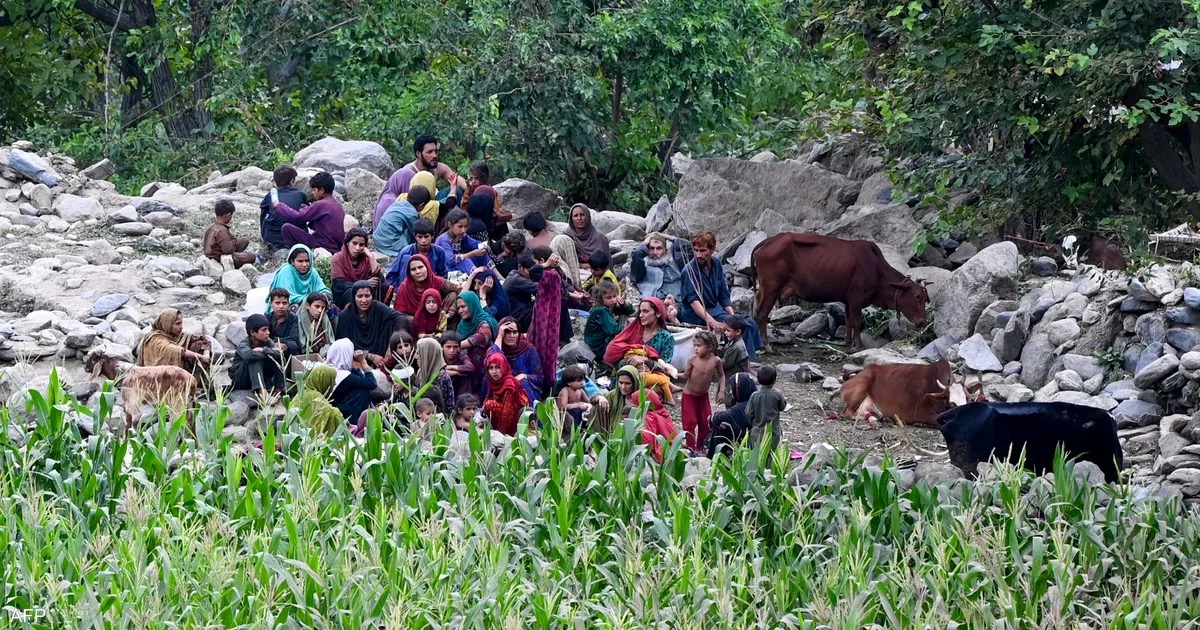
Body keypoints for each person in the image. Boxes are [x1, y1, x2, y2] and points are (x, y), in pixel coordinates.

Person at [681, 231, 764, 358]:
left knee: (747, 322)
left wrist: (732, 316)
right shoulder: (689, 270)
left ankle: (748, 354)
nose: (698, 255)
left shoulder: (716, 264)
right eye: (696, 250)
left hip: (715, 309)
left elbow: (723, 295)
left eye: (703, 251)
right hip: (696, 313)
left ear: (712, 250)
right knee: (738, 328)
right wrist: (712, 322)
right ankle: (746, 359)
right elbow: (693, 302)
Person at [374, 135, 467, 228]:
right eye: (429, 152)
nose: (434, 155)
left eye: (436, 151)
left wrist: (472, 187)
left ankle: (459, 225)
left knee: (458, 191)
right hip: (420, 209)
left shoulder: (438, 168)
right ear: (419, 153)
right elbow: (413, 205)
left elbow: (459, 181)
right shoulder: (409, 173)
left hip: (433, 203)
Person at [591, 366, 677, 462]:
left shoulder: (643, 396)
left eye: (627, 383)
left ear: (635, 382)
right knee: (596, 407)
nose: (623, 387)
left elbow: (657, 414)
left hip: (640, 436)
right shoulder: (614, 395)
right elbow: (593, 397)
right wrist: (600, 397)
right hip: (616, 433)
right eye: (620, 383)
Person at [335, 280, 410, 369]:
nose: (364, 300)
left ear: (372, 296)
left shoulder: (377, 307)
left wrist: (391, 345)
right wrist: (371, 356)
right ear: (353, 297)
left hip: (381, 351)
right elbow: (343, 346)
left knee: (392, 321)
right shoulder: (345, 316)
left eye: (367, 296)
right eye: (359, 296)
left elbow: (401, 318)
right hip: (358, 355)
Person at [271, 171, 345, 252]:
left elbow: (298, 217)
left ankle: (297, 254)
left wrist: (279, 207)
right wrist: (308, 209)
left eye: (314, 190)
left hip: (321, 244)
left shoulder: (321, 204)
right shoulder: (338, 205)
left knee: (286, 228)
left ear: (321, 190)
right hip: (336, 246)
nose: (313, 193)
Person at [135, 309, 212, 385]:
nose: (181, 327)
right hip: (159, 378)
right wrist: (200, 357)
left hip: (181, 372)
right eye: (177, 324)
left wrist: (206, 355)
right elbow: (176, 350)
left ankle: (196, 383)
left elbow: (203, 339)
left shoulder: (178, 336)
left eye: (181, 323)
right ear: (167, 324)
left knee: (197, 344)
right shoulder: (155, 338)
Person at [682, 331, 724, 453]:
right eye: (694, 345)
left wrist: (721, 391)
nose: (696, 349)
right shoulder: (692, 360)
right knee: (690, 422)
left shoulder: (716, 361)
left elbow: (721, 376)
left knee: (705, 422)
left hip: (703, 396)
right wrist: (671, 372)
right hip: (689, 395)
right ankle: (690, 446)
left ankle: (700, 446)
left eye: (699, 346)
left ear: (710, 347)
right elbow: (685, 376)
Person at [603, 297, 675, 367]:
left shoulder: (666, 338)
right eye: (640, 311)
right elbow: (615, 356)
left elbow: (665, 368)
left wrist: (645, 360)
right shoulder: (633, 330)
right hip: (625, 374)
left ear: (658, 314)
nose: (640, 315)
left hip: (652, 377)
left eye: (645, 311)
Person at [486, 317, 543, 403]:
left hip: (524, 389)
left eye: (515, 332)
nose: (511, 336)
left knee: (522, 382)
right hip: (501, 389)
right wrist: (499, 337)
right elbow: (492, 358)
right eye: (507, 332)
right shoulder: (495, 349)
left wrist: (524, 376)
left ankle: (528, 413)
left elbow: (540, 377)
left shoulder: (528, 349)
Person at [230, 314, 286, 397]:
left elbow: (279, 353)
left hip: (260, 375)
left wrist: (263, 350)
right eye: (264, 330)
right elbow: (248, 355)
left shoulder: (267, 341)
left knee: (279, 358)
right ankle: (263, 394)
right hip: (242, 378)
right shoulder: (244, 344)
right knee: (254, 359)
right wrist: (268, 353)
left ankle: (279, 388)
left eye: (268, 329)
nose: (268, 333)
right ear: (252, 332)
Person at [385, 218, 450, 288]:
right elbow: (391, 276)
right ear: (415, 236)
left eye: (426, 236)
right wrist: (399, 290)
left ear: (432, 236)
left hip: (430, 291)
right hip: (408, 290)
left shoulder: (439, 252)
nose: (423, 240)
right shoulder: (406, 252)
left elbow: (443, 275)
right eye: (420, 237)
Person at [456, 291, 499, 394]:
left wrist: (459, 346)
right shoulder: (462, 325)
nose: (460, 311)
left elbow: (483, 336)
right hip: (466, 367)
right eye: (458, 308)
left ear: (472, 305)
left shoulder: (484, 320)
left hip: (483, 369)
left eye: (463, 306)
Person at [707, 372, 758, 459]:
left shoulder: (741, 407)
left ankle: (714, 458)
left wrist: (711, 418)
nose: (730, 391)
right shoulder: (756, 400)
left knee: (720, 427)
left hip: (748, 441)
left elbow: (716, 419)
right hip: (758, 436)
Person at [331, 228, 386, 307]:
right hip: (344, 295)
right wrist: (365, 284)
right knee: (351, 292)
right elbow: (339, 284)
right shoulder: (338, 258)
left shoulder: (366, 259)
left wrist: (371, 257)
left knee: (384, 287)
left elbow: (380, 280)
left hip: (364, 295)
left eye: (361, 245)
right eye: (354, 243)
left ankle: (377, 314)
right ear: (347, 243)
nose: (357, 248)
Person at [326, 338, 377, 422]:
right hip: (345, 413)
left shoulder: (329, 369)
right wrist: (363, 362)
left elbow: (358, 375)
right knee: (362, 394)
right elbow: (372, 383)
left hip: (338, 408)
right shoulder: (344, 376)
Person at [584, 280, 634, 360]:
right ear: (600, 298)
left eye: (614, 296)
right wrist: (629, 328)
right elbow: (614, 329)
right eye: (609, 297)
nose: (613, 300)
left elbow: (630, 311)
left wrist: (624, 303)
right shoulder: (601, 310)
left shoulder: (608, 307)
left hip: (600, 342)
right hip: (598, 346)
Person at [260, 165, 307, 250]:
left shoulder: (271, 195)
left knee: (265, 210)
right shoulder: (300, 195)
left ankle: (265, 236)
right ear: (292, 181)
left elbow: (263, 209)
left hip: (272, 239)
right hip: (296, 240)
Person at [482, 353, 530, 436]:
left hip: (514, 421)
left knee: (490, 405)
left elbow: (508, 412)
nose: (494, 372)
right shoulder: (494, 381)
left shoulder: (509, 384)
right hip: (503, 416)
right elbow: (489, 396)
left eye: (497, 367)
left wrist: (501, 434)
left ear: (503, 367)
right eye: (491, 368)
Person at [374, 185, 426, 257]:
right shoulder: (411, 213)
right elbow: (415, 232)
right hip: (389, 243)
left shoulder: (399, 203)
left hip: (378, 239)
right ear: (421, 205)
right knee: (415, 233)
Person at [631, 233, 685, 301]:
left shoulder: (675, 264)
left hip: (680, 302)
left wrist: (667, 236)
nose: (655, 252)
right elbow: (637, 253)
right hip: (657, 303)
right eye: (651, 248)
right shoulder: (643, 267)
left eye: (659, 248)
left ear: (665, 251)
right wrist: (644, 244)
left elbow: (689, 248)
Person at [747, 365, 786, 459]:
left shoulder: (754, 395)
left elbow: (748, 413)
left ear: (758, 380)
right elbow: (782, 407)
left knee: (758, 456)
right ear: (774, 380)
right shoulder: (777, 394)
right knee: (772, 455)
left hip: (757, 432)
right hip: (773, 432)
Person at [293, 364, 344, 437]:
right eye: (332, 380)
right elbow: (331, 413)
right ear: (324, 380)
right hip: (307, 439)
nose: (334, 384)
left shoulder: (302, 393)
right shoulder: (315, 396)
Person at [203, 200, 256, 267]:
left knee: (244, 241)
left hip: (215, 252)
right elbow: (228, 250)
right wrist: (233, 241)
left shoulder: (212, 227)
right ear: (227, 216)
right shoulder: (221, 231)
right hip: (219, 257)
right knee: (250, 257)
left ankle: (240, 254)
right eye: (231, 215)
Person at [437, 209, 490, 274]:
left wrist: (484, 246)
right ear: (450, 225)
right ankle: (477, 278)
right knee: (466, 262)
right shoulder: (444, 240)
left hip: (457, 265)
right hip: (446, 269)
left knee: (482, 255)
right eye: (460, 227)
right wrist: (473, 253)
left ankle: (499, 277)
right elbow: (450, 261)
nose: (463, 230)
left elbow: (475, 244)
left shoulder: (461, 236)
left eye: (465, 226)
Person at [415, 337, 456, 415]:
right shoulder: (420, 372)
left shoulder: (441, 377)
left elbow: (444, 407)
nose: (416, 357)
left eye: (419, 353)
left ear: (429, 355)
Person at [503, 252, 541, 331]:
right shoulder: (516, 280)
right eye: (530, 270)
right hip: (519, 317)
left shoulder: (514, 274)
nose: (532, 273)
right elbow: (542, 287)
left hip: (523, 311)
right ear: (520, 267)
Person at [267, 288, 301, 359]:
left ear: (288, 304)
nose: (281, 306)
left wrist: (280, 342)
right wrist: (275, 343)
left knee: (293, 345)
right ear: (271, 304)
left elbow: (293, 337)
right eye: (277, 303)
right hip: (272, 345)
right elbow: (265, 337)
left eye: (284, 303)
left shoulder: (293, 317)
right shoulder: (267, 317)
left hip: (287, 346)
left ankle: (294, 367)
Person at [297, 292, 335, 356]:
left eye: (322, 308)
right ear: (307, 306)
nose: (320, 310)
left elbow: (330, 342)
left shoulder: (325, 320)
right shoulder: (298, 320)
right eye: (317, 306)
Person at [556, 364, 591, 433]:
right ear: (569, 382)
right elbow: (563, 406)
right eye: (579, 381)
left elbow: (588, 400)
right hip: (566, 414)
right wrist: (577, 405)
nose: (582, 383)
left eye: (582, 381)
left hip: (578, 413)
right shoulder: (566, 390)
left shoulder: (580, 390)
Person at [441, 331, 477, 397]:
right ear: (442, 347)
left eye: (455, 347)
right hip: (443, 388)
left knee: (466, 376)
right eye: (448, 347)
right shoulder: (439, 356)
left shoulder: (461, 356)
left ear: (459, 348)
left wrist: (447, 367)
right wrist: (456, 373)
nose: (452, 350)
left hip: (459, 387)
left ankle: (464, 402)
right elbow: (435, 372)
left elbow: (470, 367)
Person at [722, 317, 751, 397]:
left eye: (728, 330)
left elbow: (725, 364)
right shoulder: (733, 342)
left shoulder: (737, 347)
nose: (725, 333)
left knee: (731, 400)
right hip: (733, 378)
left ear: (738, 331)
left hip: (735, 379)